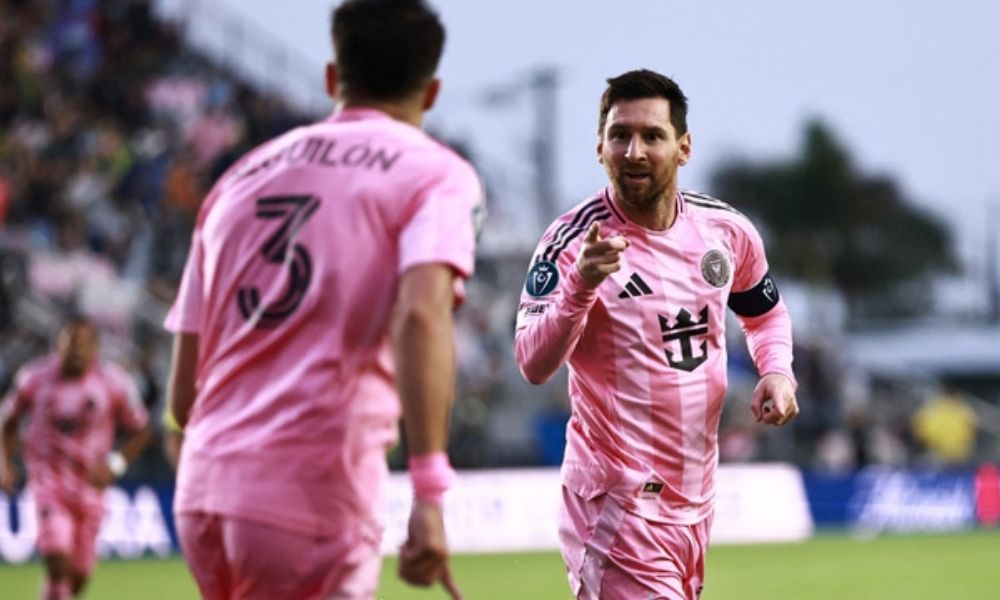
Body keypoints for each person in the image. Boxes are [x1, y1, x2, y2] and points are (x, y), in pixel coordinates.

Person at [163, 0, 482, 598]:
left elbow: (184, 398)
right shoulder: (436, 174)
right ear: (432, 92)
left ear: (333, 78)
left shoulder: (238, 178)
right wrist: (428, 491)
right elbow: (421, 314)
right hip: (311, 493)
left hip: (203, 494)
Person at [514, 69, 799, 600]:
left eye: (652, 136)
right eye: (619, 135)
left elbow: (765, 315)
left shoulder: (725, 230)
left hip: (694, 504)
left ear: (684, 147)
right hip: (615, 504)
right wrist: (581, 285)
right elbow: (532, 362)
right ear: (599, 147)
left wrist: (777, 371)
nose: (634, 151)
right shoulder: (572, 242)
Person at [0, 316, 150, 600]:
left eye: (84, 343)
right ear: (58, 345)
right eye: (71, 342)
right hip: (48, 480)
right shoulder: (33, 377)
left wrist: (115, 464)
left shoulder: (114, 382)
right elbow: (8, 420)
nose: (77, 350)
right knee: (58, 562)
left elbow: (141, 430)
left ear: (95, 348)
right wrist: (4, 465)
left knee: (78, 575)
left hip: (90, 486)